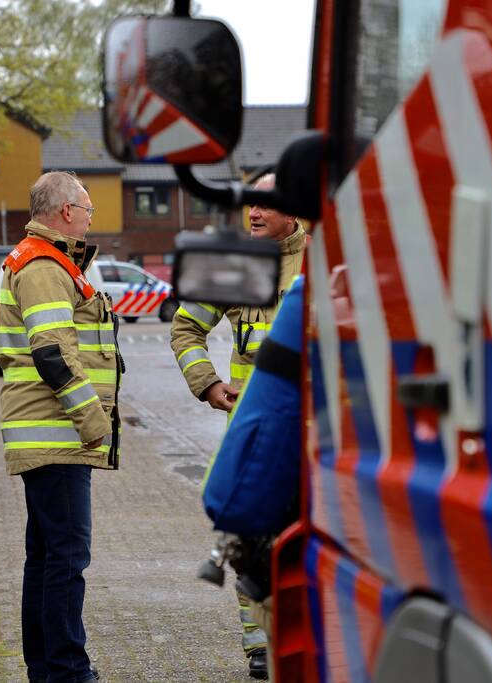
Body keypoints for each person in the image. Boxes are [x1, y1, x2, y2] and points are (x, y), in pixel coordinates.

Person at [170, 173, 306, 680]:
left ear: (292, 210)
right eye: (248, 204)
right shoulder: (236, 264)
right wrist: (206, 382)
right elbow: (185, 328)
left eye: (265, 205)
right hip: (251, 436)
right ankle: (259, 648)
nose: (252, 212)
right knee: (250, 540)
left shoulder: (326, 258)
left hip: (317, 437)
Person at [0, 171, 122, 683]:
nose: (91, 218)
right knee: (66, 561)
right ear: (66, 211)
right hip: (59, 435)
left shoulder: (43, 261)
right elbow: (54, 354)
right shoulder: (46, 265)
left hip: (49, 433)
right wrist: (94, 422)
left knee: (46, 559)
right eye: (88, 209)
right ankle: (68, 672)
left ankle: (47, 669)